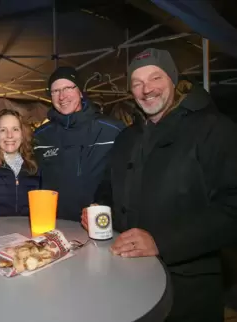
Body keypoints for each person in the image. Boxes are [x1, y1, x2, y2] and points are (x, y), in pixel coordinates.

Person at [82, 48, 237, 322]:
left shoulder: (214, 129)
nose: (147, 90)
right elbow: (108, 187)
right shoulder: (126, 138)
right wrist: (99, 209)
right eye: (137, 83)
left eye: (155, 78)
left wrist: (160, 242)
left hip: (188, 288)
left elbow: (231, 209)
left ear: (174, 81)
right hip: (128, 278)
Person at [34, 66, 124, 221]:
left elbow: (125, 180)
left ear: (80, 91)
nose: (62, 96)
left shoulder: (112, 130)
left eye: (68, 88)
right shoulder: (41, 136)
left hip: (99, 225)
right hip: (54, 227)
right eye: (55, 91)